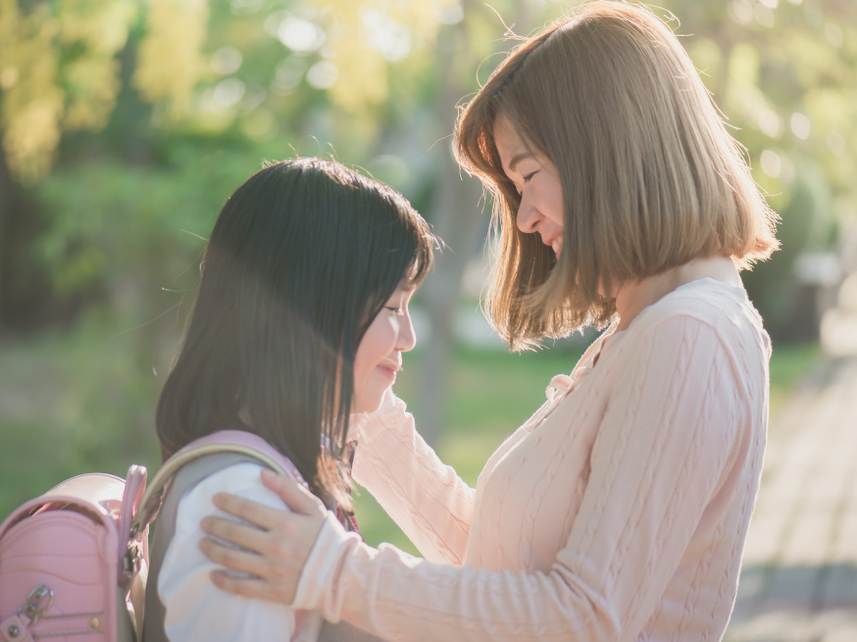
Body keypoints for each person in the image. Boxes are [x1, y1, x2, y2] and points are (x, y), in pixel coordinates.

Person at [197, 3, 779, 641]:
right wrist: (369, 410)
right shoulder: (648, 328)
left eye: (529, 176)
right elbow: (499, 564)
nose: (524, 217)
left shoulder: (689, 335)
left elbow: (583, 618)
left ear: (604, 151)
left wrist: (337, 572)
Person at [148, 157, 435, 642]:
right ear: (312, 308)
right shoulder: (246, 498)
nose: (407, 336)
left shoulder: (271, 470)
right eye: (391, 306)